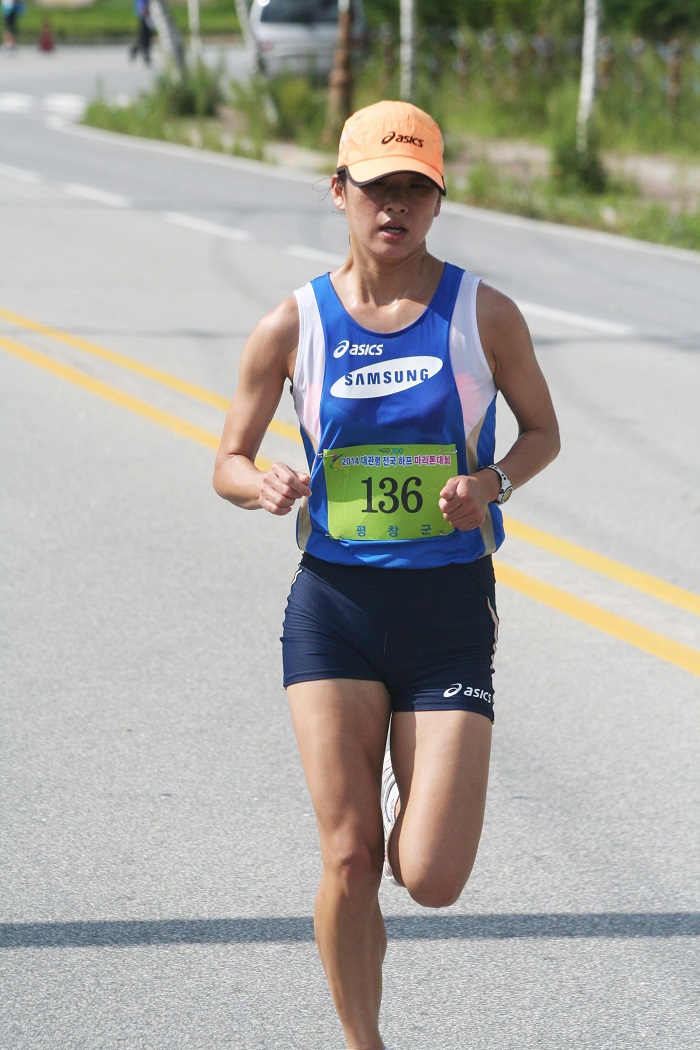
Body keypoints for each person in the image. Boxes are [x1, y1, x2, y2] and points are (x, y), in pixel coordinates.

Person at [213, 99, 560, 1049]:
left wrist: (491, 483)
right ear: (340, 192)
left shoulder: (484, 315)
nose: (395, 207)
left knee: (433, 877)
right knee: (349, 853)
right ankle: (364, 1043)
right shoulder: (291, 325)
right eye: (377, 188)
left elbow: (543, 433)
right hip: (334, 607)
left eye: (415, 189)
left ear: (437, 201)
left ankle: (414, 783)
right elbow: (226, 459)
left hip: (448, 608)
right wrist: (261, 484)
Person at [129, 0, 154, 66]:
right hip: (144, 14)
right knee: (144, 36)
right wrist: (145, 12)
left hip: (146, 13)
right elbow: (141, 3)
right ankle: (143, 54)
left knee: (145, 36)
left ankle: (136, 51)